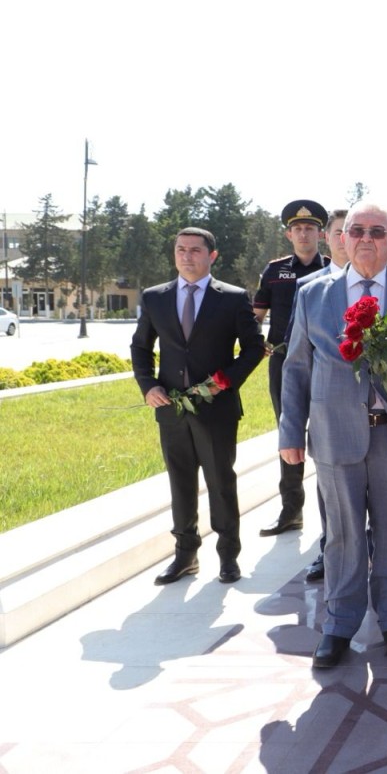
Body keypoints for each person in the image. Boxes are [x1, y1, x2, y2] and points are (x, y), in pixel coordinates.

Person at [279, 202, 387, 668]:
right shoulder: (312, 294)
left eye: (378, 232)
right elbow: (296, 368)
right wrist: (290, 433)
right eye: (357, 230)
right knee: (342, 536)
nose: (366, 239)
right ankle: (339, 624)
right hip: (335, 436)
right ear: (342, 239)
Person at [131, 227, 265, 585]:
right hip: (171, 409)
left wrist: (225, 381)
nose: (187, 256)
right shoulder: (155, 297)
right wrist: (148, 385)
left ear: (212, 256)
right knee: (180, 483)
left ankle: (228, 556)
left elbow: (254, 348)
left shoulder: (233, 298)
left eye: (194, 250)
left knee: (220, 482)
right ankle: (185, 555)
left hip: (216, 410)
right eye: (181, 249)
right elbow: (140, 347)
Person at [255, 200, 330, 538]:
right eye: (297, 228)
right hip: (285, 364)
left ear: (320, 234)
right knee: (289, 433)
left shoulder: (333, 269)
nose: (303, 233)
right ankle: (291, 510)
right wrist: (255, 343)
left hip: (327, 364)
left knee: (330, 434)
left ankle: (334, 510)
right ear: (289, 234)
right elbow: (255, 317)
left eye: (310, 228)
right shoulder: (274, 272)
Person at [292, 208, 348, 584]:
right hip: (329, 413)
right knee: (330, 491)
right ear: (328, 238)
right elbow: (298, 359)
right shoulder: (309, 288)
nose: (347, 239)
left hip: (378, 414)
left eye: (353, 231)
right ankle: (330, 548)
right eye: (339, 232)